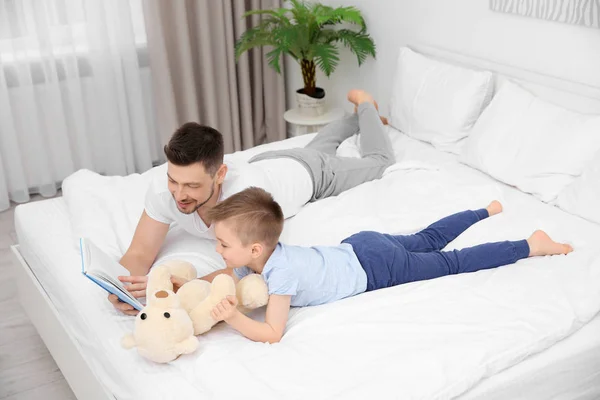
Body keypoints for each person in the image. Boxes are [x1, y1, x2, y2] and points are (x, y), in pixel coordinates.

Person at [111, 90, 395, 315]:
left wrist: (182, 288)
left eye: (192, 185)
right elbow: (139, 252)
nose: (179, 193)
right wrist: (121, 287)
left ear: (220, 175)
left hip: (312, 174)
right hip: (273, 164)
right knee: (314, 149)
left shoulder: (243, 196)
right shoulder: (165, 189)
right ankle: (356, 118)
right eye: (174, 180)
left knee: (378, 163)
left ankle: (366, 106)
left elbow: (243, 270)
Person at [205, 187, 573, 344]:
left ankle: (531, 245)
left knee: (453, 262)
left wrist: (233, 318)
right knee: (428, 238)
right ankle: (486, 210)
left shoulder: (278, 274)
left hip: (378, 269)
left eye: (222, 244)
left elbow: (273, 332)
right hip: (361, 244)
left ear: (254, 249)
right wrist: (189, 284)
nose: (218, 250)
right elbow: (225, 275)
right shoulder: (255, 261)